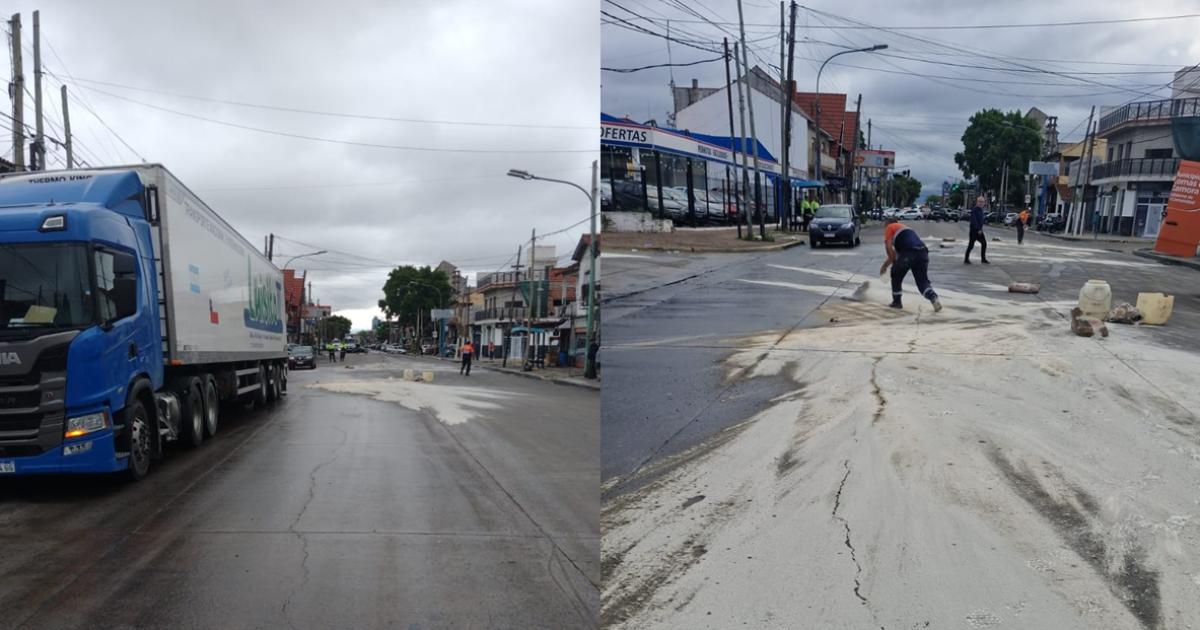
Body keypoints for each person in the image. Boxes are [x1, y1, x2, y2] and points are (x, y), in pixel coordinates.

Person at [881, 216, 942, 312]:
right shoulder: (904, 230)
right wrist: (885, 265)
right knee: (922, 282)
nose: (885, 229)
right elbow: (895, 254)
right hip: (922, 252)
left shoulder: (890, 227)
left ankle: (897, 302)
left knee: (895, 274)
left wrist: (894, 266)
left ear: (888, 223)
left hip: (910, 252)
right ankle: (933, 297)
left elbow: (888, 248)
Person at [964, 195, 990, 264]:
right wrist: (978, 229)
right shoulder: (974, 210)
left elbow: (981, 220)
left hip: (979, 231)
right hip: (974, 231)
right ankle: (966, 259)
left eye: (982, 202)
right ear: (977, 202)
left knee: (984, 243)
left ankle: (983, 259)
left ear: (984, 203)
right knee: (971, 245)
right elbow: (974, 221)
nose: (981, 203)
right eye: (980, 202)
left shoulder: (981, 210)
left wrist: (980, 228)